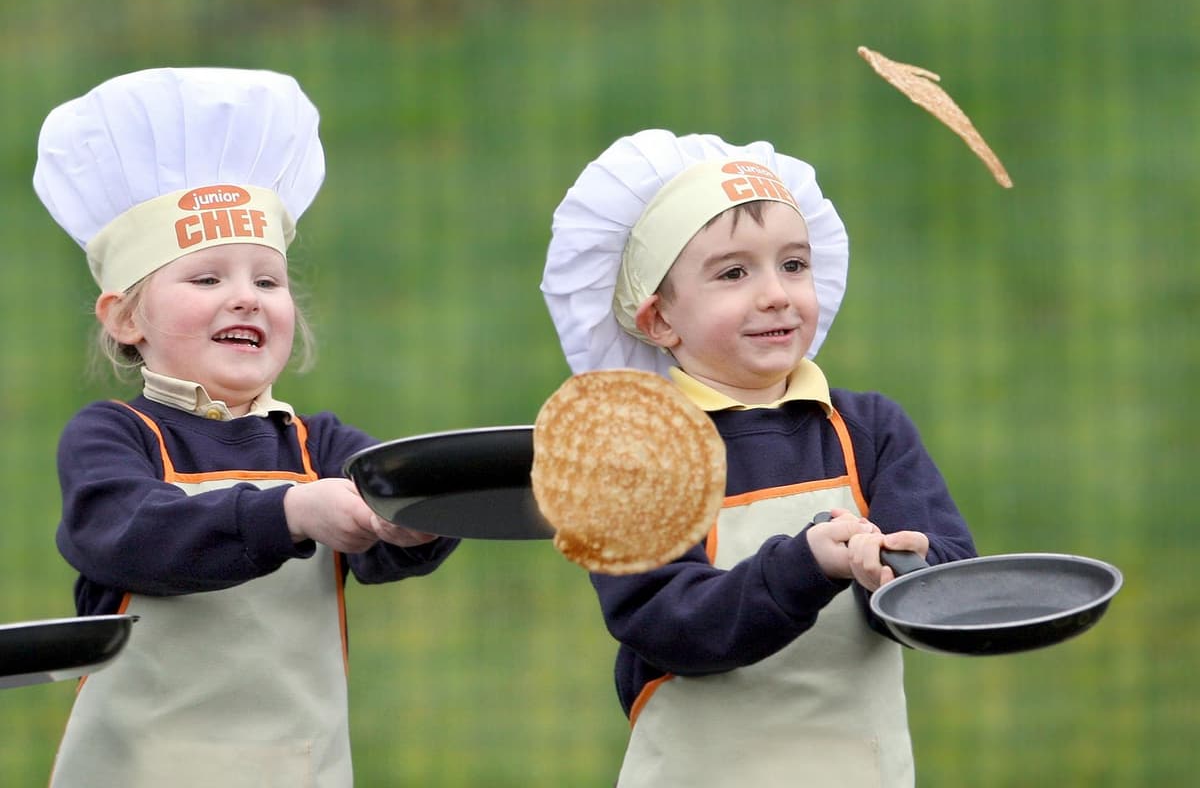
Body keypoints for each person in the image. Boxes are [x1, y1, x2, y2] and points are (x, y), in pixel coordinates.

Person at [33, 67, 459, 788]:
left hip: (299, 767)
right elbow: (134, 538)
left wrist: (415, 525)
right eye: (206, 280)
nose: (245, 299)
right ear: (126, 317)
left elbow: (385, 531)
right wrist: (292, 510)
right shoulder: (113, 437)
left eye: (268, 280)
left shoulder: (320, 445)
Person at [541, 129, 978, 787]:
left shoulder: (869, 430)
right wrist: (806, 565)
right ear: (659, 320)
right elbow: (670, 625)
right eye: (734, 273)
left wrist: (901, 567)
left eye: (794, 265)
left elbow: (950, 582)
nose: (776, 293)